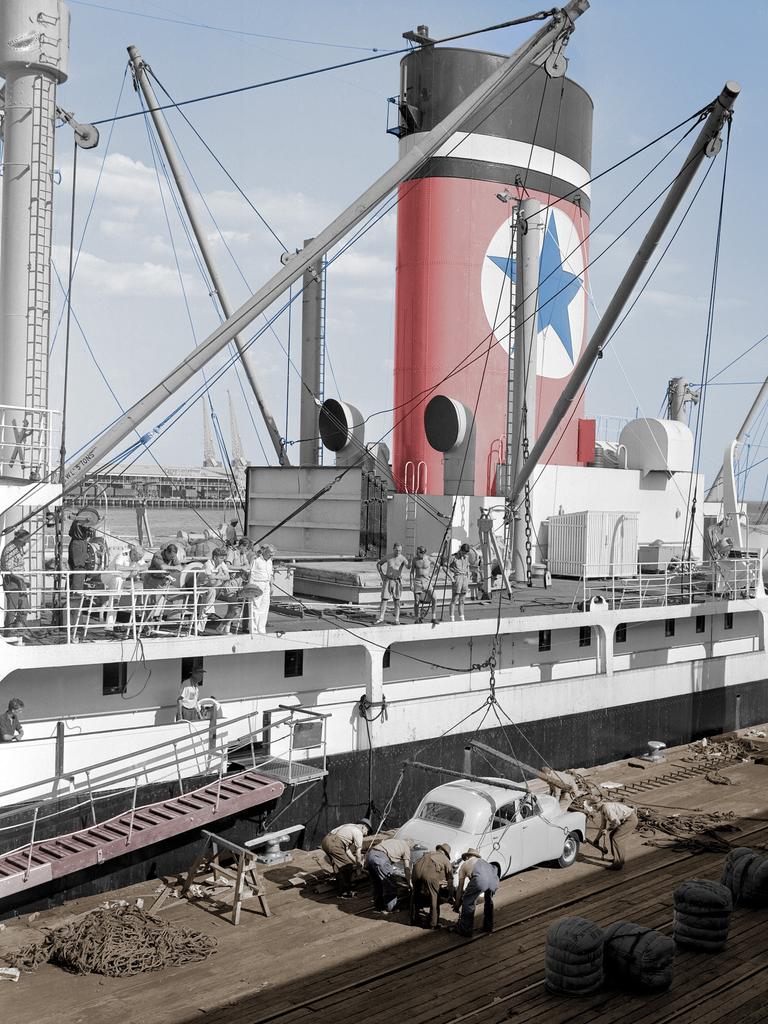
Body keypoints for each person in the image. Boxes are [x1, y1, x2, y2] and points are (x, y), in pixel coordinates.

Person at [321, 817, 372, 897]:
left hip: (326, 841)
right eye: (367, 831)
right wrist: (359, 866)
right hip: (335, 844)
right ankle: (345, 892)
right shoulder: (358, 832)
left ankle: (341, 885)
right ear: (364, 826)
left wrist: (355, 861)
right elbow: (358, 852)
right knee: (347, 867)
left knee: (337, 866)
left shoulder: (349, 826)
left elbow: (347, 850)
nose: (366, 834)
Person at [453, 848, 499, 937]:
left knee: (468, 902)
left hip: (481, 880)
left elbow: (460, 888)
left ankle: (465, 930)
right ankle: (488, 926)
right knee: (489, 902)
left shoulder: (464, 865)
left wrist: (457, 903)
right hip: (494, 880)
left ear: (467, 857)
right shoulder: (484, 861)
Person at [583, 798, 638, 870]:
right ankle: (617, 859)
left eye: (592, 806)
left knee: (617, 838)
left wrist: (607, 830)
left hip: (630, 820)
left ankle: (618, 863)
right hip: (626, 820)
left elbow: (616, 823)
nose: (593, 809)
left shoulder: (606, 808)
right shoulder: (603, 809)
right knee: (612, 835)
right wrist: (597, 839)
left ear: (596, 805)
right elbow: (603, 826)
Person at [410, 842, 454, 929]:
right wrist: (450, 895)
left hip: (416, 871)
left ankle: (413, 919)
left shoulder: (427, 853)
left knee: (415, 895)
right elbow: (450, 878)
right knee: (434, 898)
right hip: (429, 875)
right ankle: (433, 924)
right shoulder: (445, 859)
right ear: (445, 853)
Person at [365, 836, 413, 913]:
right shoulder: (406, 847)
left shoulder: (393, 841)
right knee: (390, 884)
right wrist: (409, 881)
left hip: (371, 855)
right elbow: (407, 868)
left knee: (377, 884)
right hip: (381, 858)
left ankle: (379, 907)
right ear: (410, 845)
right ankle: (392, 908)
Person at [1, 528, 31, 636]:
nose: (27, 543)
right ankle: (8, 632)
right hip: (12, 581)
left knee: (24, 606)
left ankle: (20, 631)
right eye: (26, 540)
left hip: (19, 580)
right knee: (12, 608)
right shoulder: (10, 549)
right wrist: (22, 578)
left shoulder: (17, 548)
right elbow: (9, 570)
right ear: (21, 539)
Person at [198, 546, 232, 633]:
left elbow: (227, 576)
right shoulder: (208, 564)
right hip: (201, 586)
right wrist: (220, 575)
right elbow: (210, 577)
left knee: (205, 608)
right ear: (215, 557)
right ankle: (210, 610)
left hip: (212, 585)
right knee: (211, 594)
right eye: (221, 558)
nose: (222, 560)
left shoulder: (222, 564)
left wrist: (217, 576)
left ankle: (199, 629)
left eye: (223, 558)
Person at [375, 542, 409, 625]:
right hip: (388, 580)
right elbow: (379, 564)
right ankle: (381, 618)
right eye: (397, 550)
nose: (398, 552)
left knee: (397, 600)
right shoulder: (388, 556)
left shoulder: (402, 558)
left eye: (400, 550)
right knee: (384, 599)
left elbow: (408, 566)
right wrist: (382, 575)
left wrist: (411, 562)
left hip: (397, 581)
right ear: (393, 549)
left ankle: (396, 619)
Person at [247, 544, 275, 635]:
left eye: (273, 554)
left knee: (265, 607)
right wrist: (251, 586)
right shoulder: (256, 560)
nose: (271, 556)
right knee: (255, 606)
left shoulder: (270, 561)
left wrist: (271, 586)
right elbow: (251, 573)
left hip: (266, 584)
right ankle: (253, 629)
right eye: (270, 553)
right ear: (265, 551)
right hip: (257, 583)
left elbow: (270, 574)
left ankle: (261, 629)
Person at [410, 547, 437, 624]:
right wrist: (411, 583)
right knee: (416, 602)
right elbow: (412, 572)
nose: (416, 554)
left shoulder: (429, 559)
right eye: (416, 553)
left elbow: (438, 567)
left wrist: (433, 575)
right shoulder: (415, 560)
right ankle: (417, 618)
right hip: (417, 581)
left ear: (423, 553)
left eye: (418, 553)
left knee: (434, 598)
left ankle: (433, 617)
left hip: (427, 582)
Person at [448, 544, 471, 622]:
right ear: (461, 550)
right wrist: (451, 577)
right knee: (455, 598)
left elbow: (468, 566)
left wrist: (468, 575)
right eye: (464, 552)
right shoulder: (453, 557)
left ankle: (462, 618)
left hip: (465, 578)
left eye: (466, 553)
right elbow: (445, 567)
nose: (465, 554)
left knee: (462, 600)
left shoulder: (466, 557)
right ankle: (452, 618)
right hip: (457, 577)